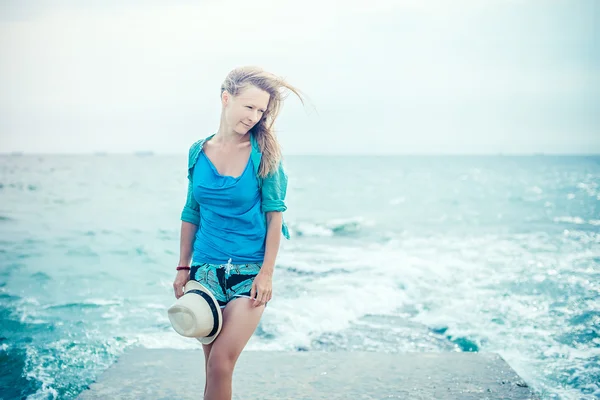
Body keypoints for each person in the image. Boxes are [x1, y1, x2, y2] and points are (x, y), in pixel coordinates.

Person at [171, 66, 305, 400]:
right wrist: (183, 267)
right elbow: (192, 211)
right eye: (249, 107)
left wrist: (267, 274)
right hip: (204, 272)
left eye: (261, 111)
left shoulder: (266, 155)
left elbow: (275, 218)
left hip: (249, 274)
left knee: (221, 363)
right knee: (212, 369)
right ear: (226, 98)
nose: (255, 116)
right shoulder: (197, 152)